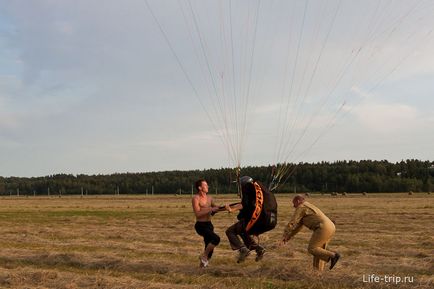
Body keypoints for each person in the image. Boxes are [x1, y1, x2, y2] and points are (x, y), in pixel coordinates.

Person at [281, 195, 340, 270]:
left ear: (298, 201)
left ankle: (333, 255)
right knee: (319, 252)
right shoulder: (307, 208)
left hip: (323, 227)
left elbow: (293, 222)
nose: (293, 206)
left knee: (312, 248)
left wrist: (284, 235)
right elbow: (298, 227)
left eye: (294, 203)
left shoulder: (301, 207)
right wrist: (288, 237)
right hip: (330, 226)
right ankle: (317, 273)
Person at [226, 176, 277, 263]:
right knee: (243, 231)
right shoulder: (260, 191)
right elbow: (249, 205)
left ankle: (243, 250)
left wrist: (232, 209)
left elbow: (244, 204)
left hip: (258, 220)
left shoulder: (247, 187)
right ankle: (259, 249)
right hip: (270, 221)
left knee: (230, 231)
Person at [192, 179, 221, 268]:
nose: (207, 186)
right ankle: (204, 255)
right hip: (200, 226)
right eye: (205, 185)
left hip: (209, 225)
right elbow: (198, 214)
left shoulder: (209, 198)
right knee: (216, 239)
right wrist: (210, 209)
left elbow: (215, 207)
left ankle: (201, 268)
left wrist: (225, 207)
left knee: (209, 247)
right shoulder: (196, 198)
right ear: (200, 188)